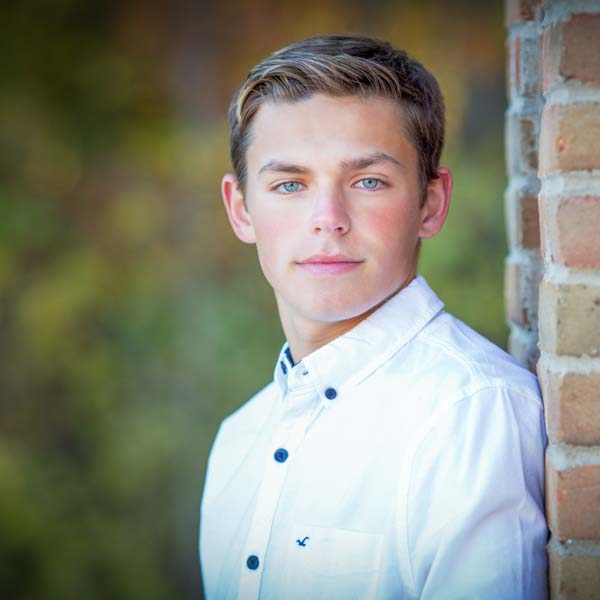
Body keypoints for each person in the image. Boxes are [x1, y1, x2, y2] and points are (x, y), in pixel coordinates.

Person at [199, 34, 548, 600]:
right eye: (290, 184)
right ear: (241, 210)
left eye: (368, 182)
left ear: (430, 203)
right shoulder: (239, 439)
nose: (328, 219)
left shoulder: (472, 415)